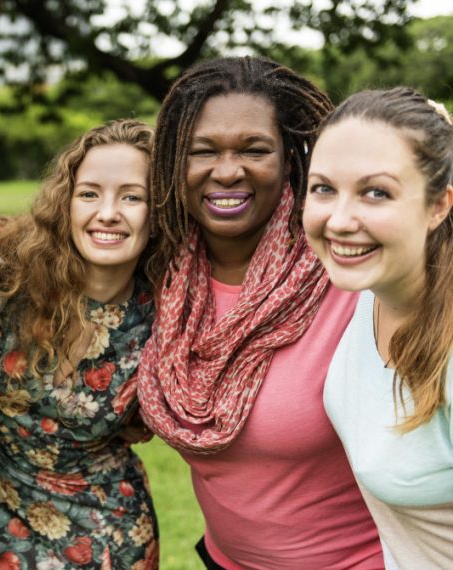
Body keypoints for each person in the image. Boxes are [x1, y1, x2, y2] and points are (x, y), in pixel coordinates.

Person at [136, 56, 384, 568]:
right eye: (202, 152)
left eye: (254, 150)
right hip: (226, 560)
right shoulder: (161, 276)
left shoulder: (350, 277)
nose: (227, 171)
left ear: (292, 159)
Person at [0, 119, 163, 569]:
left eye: (132, 196)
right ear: (66, 203)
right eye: (90, 193)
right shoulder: (17, 262)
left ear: (159, 214)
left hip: (110, 535)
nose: (108, 212)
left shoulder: (164, 310)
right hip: (3, 530)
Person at [303, 87, 453, 568]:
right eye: (323, 188)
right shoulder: (367, 290)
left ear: (438, 206)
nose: (340, 220)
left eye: (376, 192)